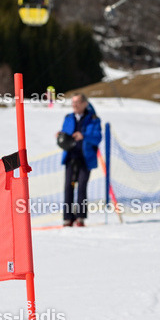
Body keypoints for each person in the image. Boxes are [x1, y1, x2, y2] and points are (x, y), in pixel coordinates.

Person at [56, 93, 102, 226]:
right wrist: (61, 136)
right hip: (70, 157)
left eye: (77, 102)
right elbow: (65, 134)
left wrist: (84, 135)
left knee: (82, 187)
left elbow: (97, 137)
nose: (74, 105)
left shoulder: (93, 119)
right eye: (73, 102)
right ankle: (67, 218)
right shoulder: (68, 118)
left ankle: (80, 217)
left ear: (85, 104)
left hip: (85, 158)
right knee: (68, 187)